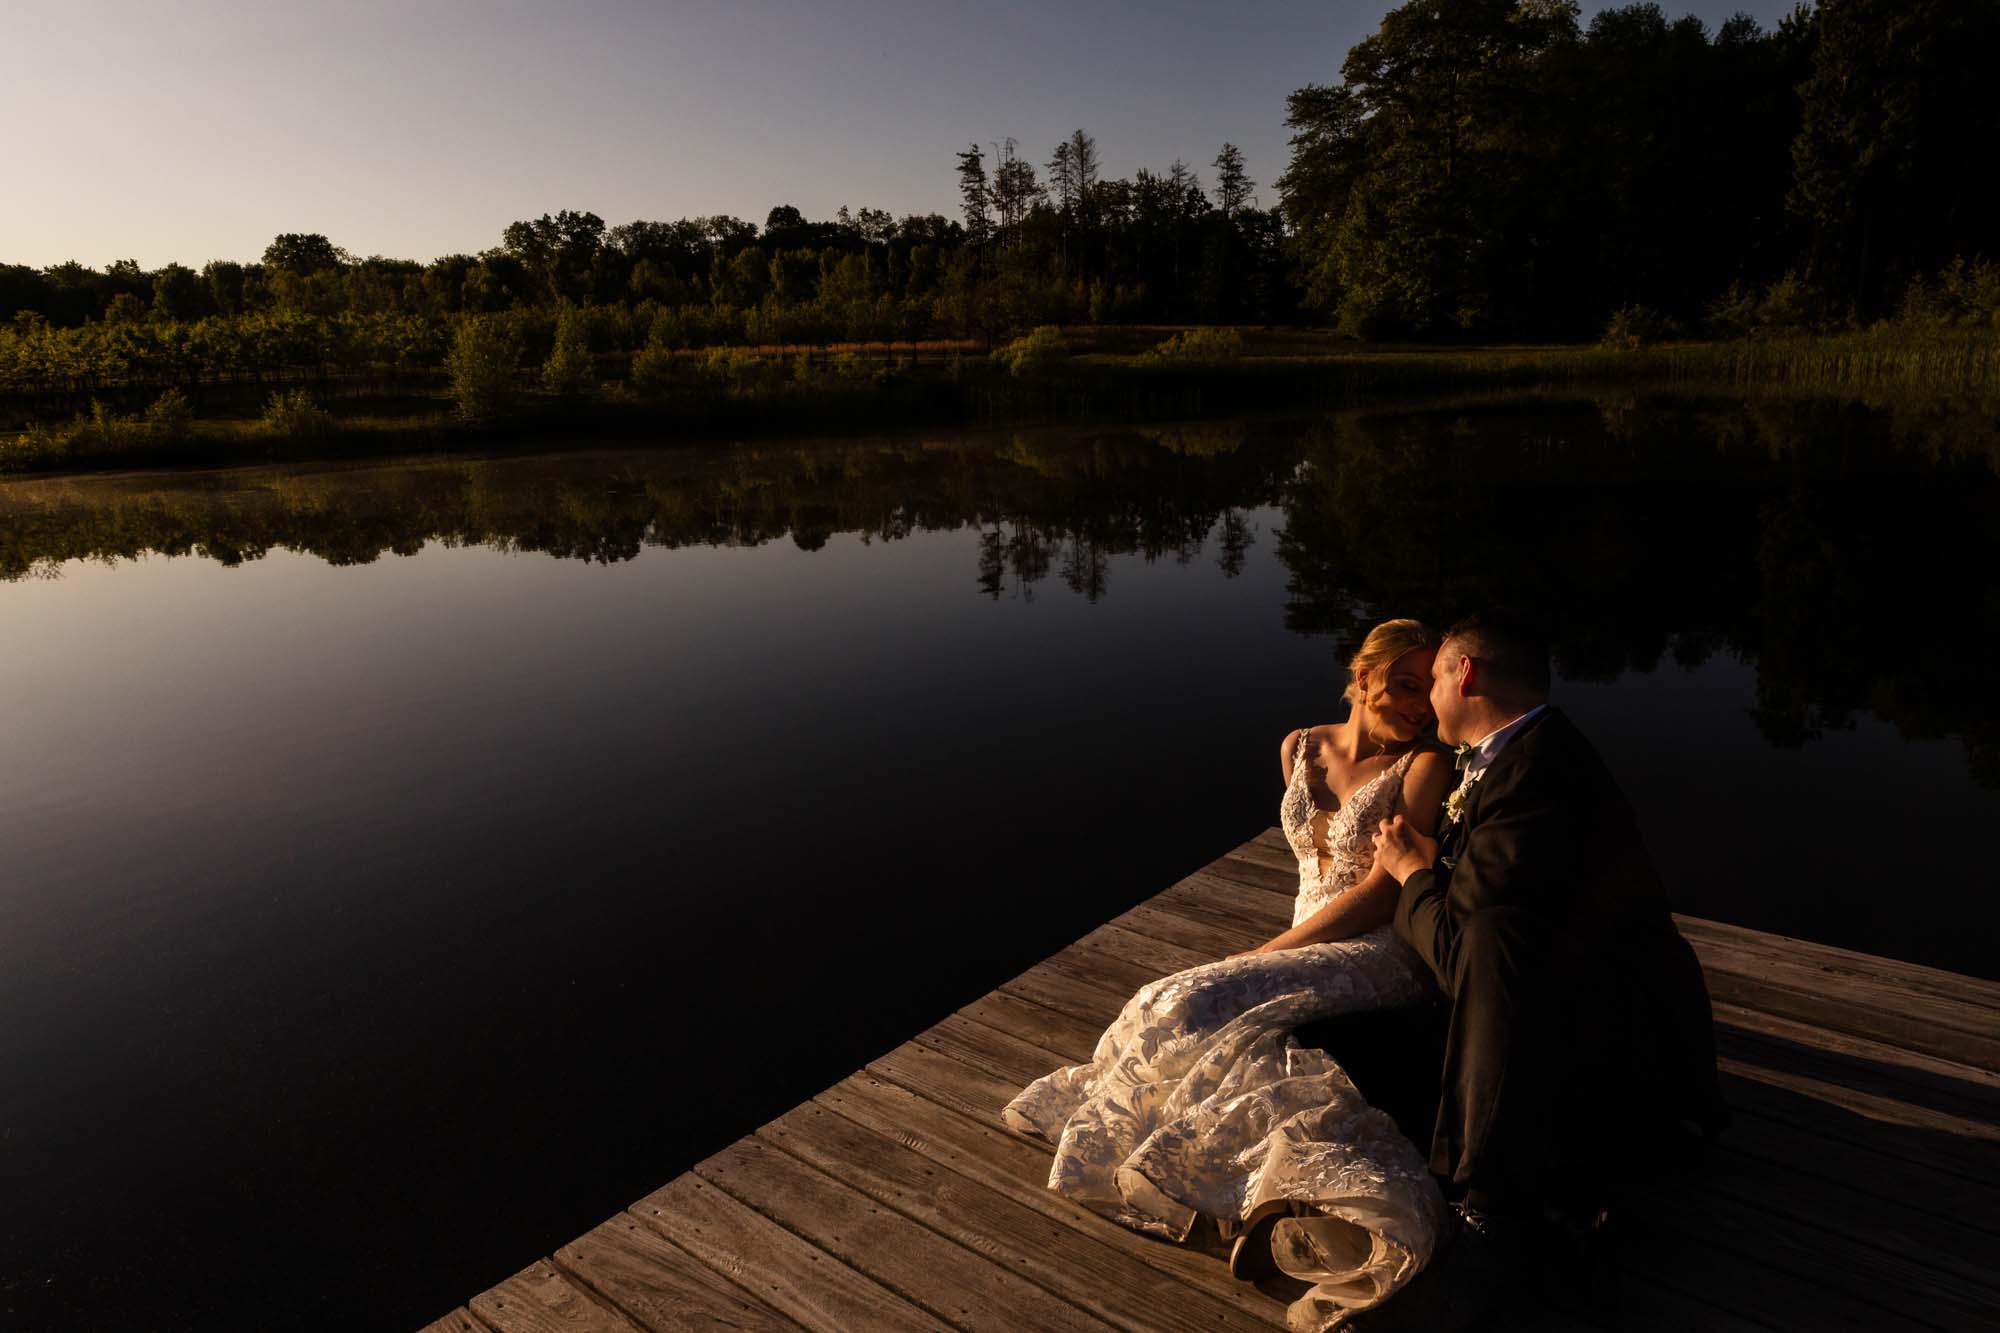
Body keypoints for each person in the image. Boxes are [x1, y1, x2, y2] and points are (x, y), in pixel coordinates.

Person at [1002, 619, 1461, 1329]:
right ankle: (1244, 1199)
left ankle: (1269, 1199)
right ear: (1364, 675)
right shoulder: (1300, 746)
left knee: (1185, 994)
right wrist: (1278, 952)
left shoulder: (1425, 767)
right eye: (1403, 685)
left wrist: (1266, 953)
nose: (1416, 707)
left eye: (1426, 694)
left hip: (1378, 948)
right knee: (1221, 1026)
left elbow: (1380, 892)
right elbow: (1310, 867)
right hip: (1308, 936)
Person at [1321, 611, 1724, 1330]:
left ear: (1464, 674)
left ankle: (1494, 1219)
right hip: (1541, 1004)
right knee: (1338, 1041)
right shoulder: (1513, 754)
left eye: (1434, 676)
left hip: (1613, 1041)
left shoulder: (1537, 774)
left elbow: (1464, 953)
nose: (1425, 702)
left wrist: (1412, 872)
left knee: (1488, 941)